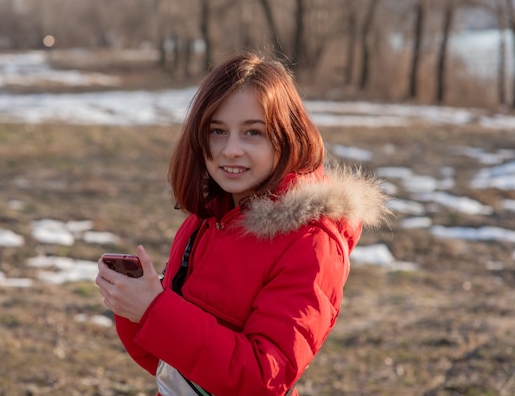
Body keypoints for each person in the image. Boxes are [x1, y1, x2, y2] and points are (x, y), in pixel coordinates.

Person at [96, 51, 390, 395]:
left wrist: (154, 310)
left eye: (253, 133)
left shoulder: (310, 242)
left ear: (287, 136)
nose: (230, 149)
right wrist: (135, 306)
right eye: (217, 131)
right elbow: (171, 365)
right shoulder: (206, 219)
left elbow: (263, 379)